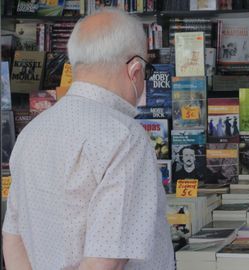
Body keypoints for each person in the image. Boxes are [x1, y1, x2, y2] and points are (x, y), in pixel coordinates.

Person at [2, 9, 174, 270]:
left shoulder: (33, 132)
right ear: (134, 69)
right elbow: (103, 263)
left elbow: (13, 238)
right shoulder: (124, 137)